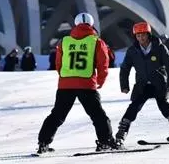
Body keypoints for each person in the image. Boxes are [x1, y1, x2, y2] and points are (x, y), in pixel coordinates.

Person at [37, 12, 117, 154]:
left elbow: (58, 64)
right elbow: (103, 63)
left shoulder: (65, 41)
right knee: (97, 115)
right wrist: (101, 80)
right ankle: (105, 142)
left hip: (65, 85)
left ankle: (43, 143)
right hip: (86, 84)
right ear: (92, 24)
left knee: (57, 115)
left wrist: (65, 77)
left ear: (75, 24)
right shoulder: (96, 41)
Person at [115, 22, 169, 147]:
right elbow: (125, 68)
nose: (141, 38)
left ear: (148, 34)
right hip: (142, 84)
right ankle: (121, 134)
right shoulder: (133, 50)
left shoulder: (159, 47)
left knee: (163, 104)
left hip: (158, 82)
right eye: (138, 36)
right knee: (134, 106)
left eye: (143, 35)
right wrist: (124, 85)